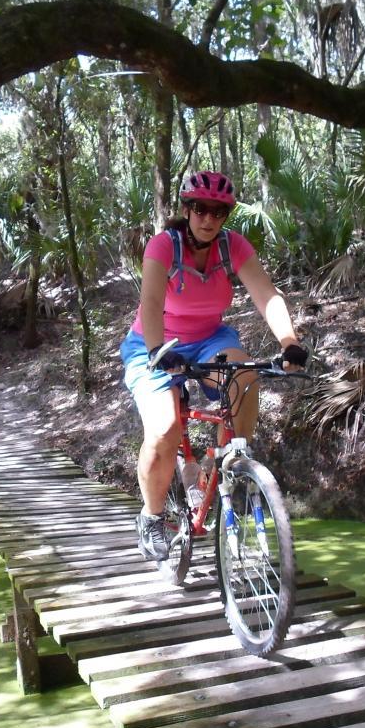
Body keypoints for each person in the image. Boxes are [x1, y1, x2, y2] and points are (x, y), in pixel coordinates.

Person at [119, 171, 308, 560]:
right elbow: (151, 302)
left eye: (218, 212)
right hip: (153, 341)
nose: (209, 218)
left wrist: (290, 343)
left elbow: (267, 295)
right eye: (200, 209)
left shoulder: (232, 246)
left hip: (209, 338)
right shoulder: (163, 246)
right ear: (187, 209)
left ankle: (233, 464)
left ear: (226, 215)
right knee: (165, 428)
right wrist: (159, 350)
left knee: (244, 373)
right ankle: (152, 517)